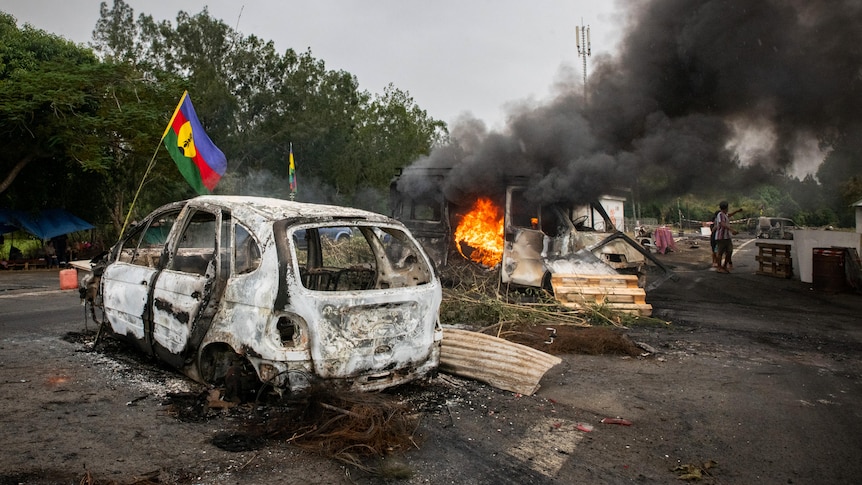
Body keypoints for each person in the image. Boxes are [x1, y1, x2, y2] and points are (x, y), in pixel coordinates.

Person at [714, 201, 739, 273]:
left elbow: (729, 215)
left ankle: (724, 266)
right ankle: (719, 267)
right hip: (721, 237)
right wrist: (732, 230)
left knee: (729, 251)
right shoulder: (720, 215)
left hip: (727, 237)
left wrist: (737, 211)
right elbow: (722, 224)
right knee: (720, 252)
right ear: (726, 208)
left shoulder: (724, 215)